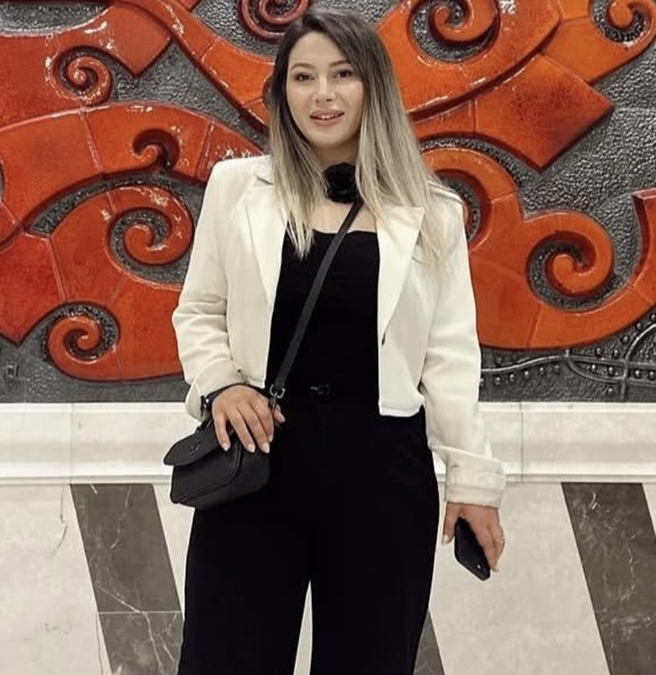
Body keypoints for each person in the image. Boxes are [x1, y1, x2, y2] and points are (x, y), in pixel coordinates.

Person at [170, 8, 506, 674]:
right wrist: (223, 384)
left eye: (342, 75)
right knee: (224, 659)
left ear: (372, 86)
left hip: (382, 474)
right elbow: (200, 310)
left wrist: (473, 481)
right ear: (282, 92)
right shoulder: (238, 189)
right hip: (256, 461)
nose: (322, 94)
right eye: (303, 77)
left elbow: (449, 358)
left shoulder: (434, 212)